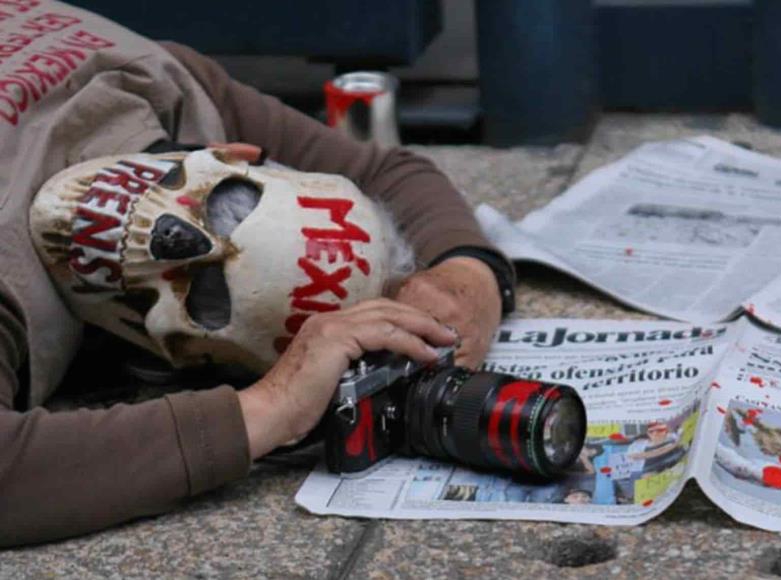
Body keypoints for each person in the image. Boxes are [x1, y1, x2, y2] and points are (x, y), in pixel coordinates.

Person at [0, 1, 513, 546]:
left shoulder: (160, 84)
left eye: (206, 289)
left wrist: (465, 275)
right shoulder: (169, 82)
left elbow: (387, 172)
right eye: (226, 205)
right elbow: (385, 171)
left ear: (182, 352)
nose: (177, 239)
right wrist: (273, 406)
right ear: (232, 154)